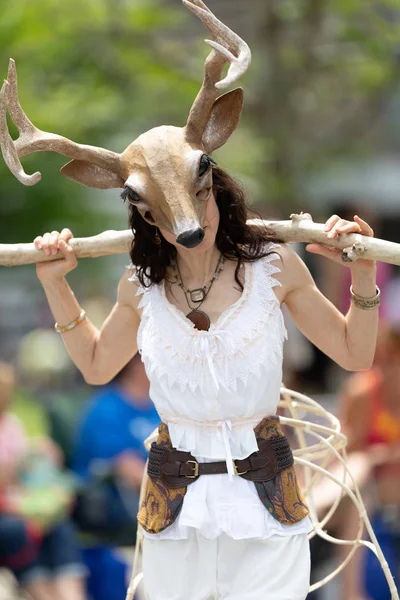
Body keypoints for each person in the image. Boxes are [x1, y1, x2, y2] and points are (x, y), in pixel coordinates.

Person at [32, 159, 378, 599]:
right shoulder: (141, 286)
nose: (191, 216)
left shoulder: (274, 268)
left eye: (199, 195)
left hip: (266, 500)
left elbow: (355, 353)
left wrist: (362, 275)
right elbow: (97, 365)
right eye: (167, 205)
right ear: (148, 214)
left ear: (215, 190)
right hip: (174, 506)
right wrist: (55, 284)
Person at [72, 353, 159, 600]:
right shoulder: (106, 408)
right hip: (114, 507)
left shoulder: (161, 407)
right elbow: (127, 467)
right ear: (134, 364)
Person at [0, 361, 86, 600]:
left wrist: (42, 455)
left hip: (19, 504)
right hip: (9, 513)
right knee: (21, 531)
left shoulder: (11, 425)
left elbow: (24, 475)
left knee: (59, 528)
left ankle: (72, 596)